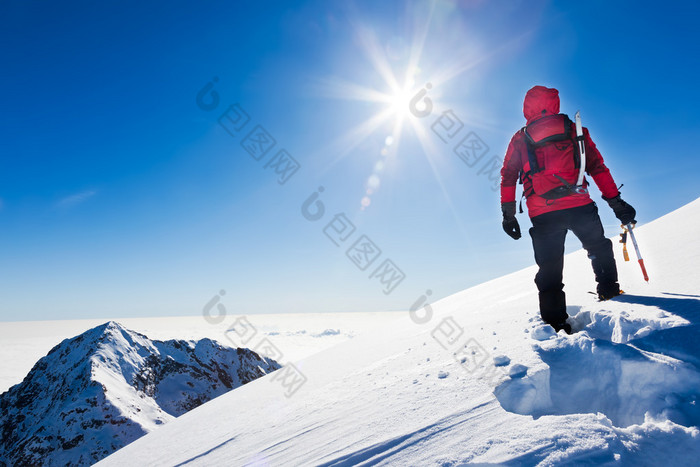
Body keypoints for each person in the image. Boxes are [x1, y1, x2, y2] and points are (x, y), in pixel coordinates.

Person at [499, 85, 636, 334]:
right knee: (598, 248)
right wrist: (616, 201)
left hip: (542, 211)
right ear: (555, 103)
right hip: (579, 204)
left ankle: (555, 325)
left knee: (550, 267)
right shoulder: (575, 129)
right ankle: (609, 293)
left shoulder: (520, 137)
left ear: (526, 107)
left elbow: (508, 176)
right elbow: (597, 167)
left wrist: (508, 214)